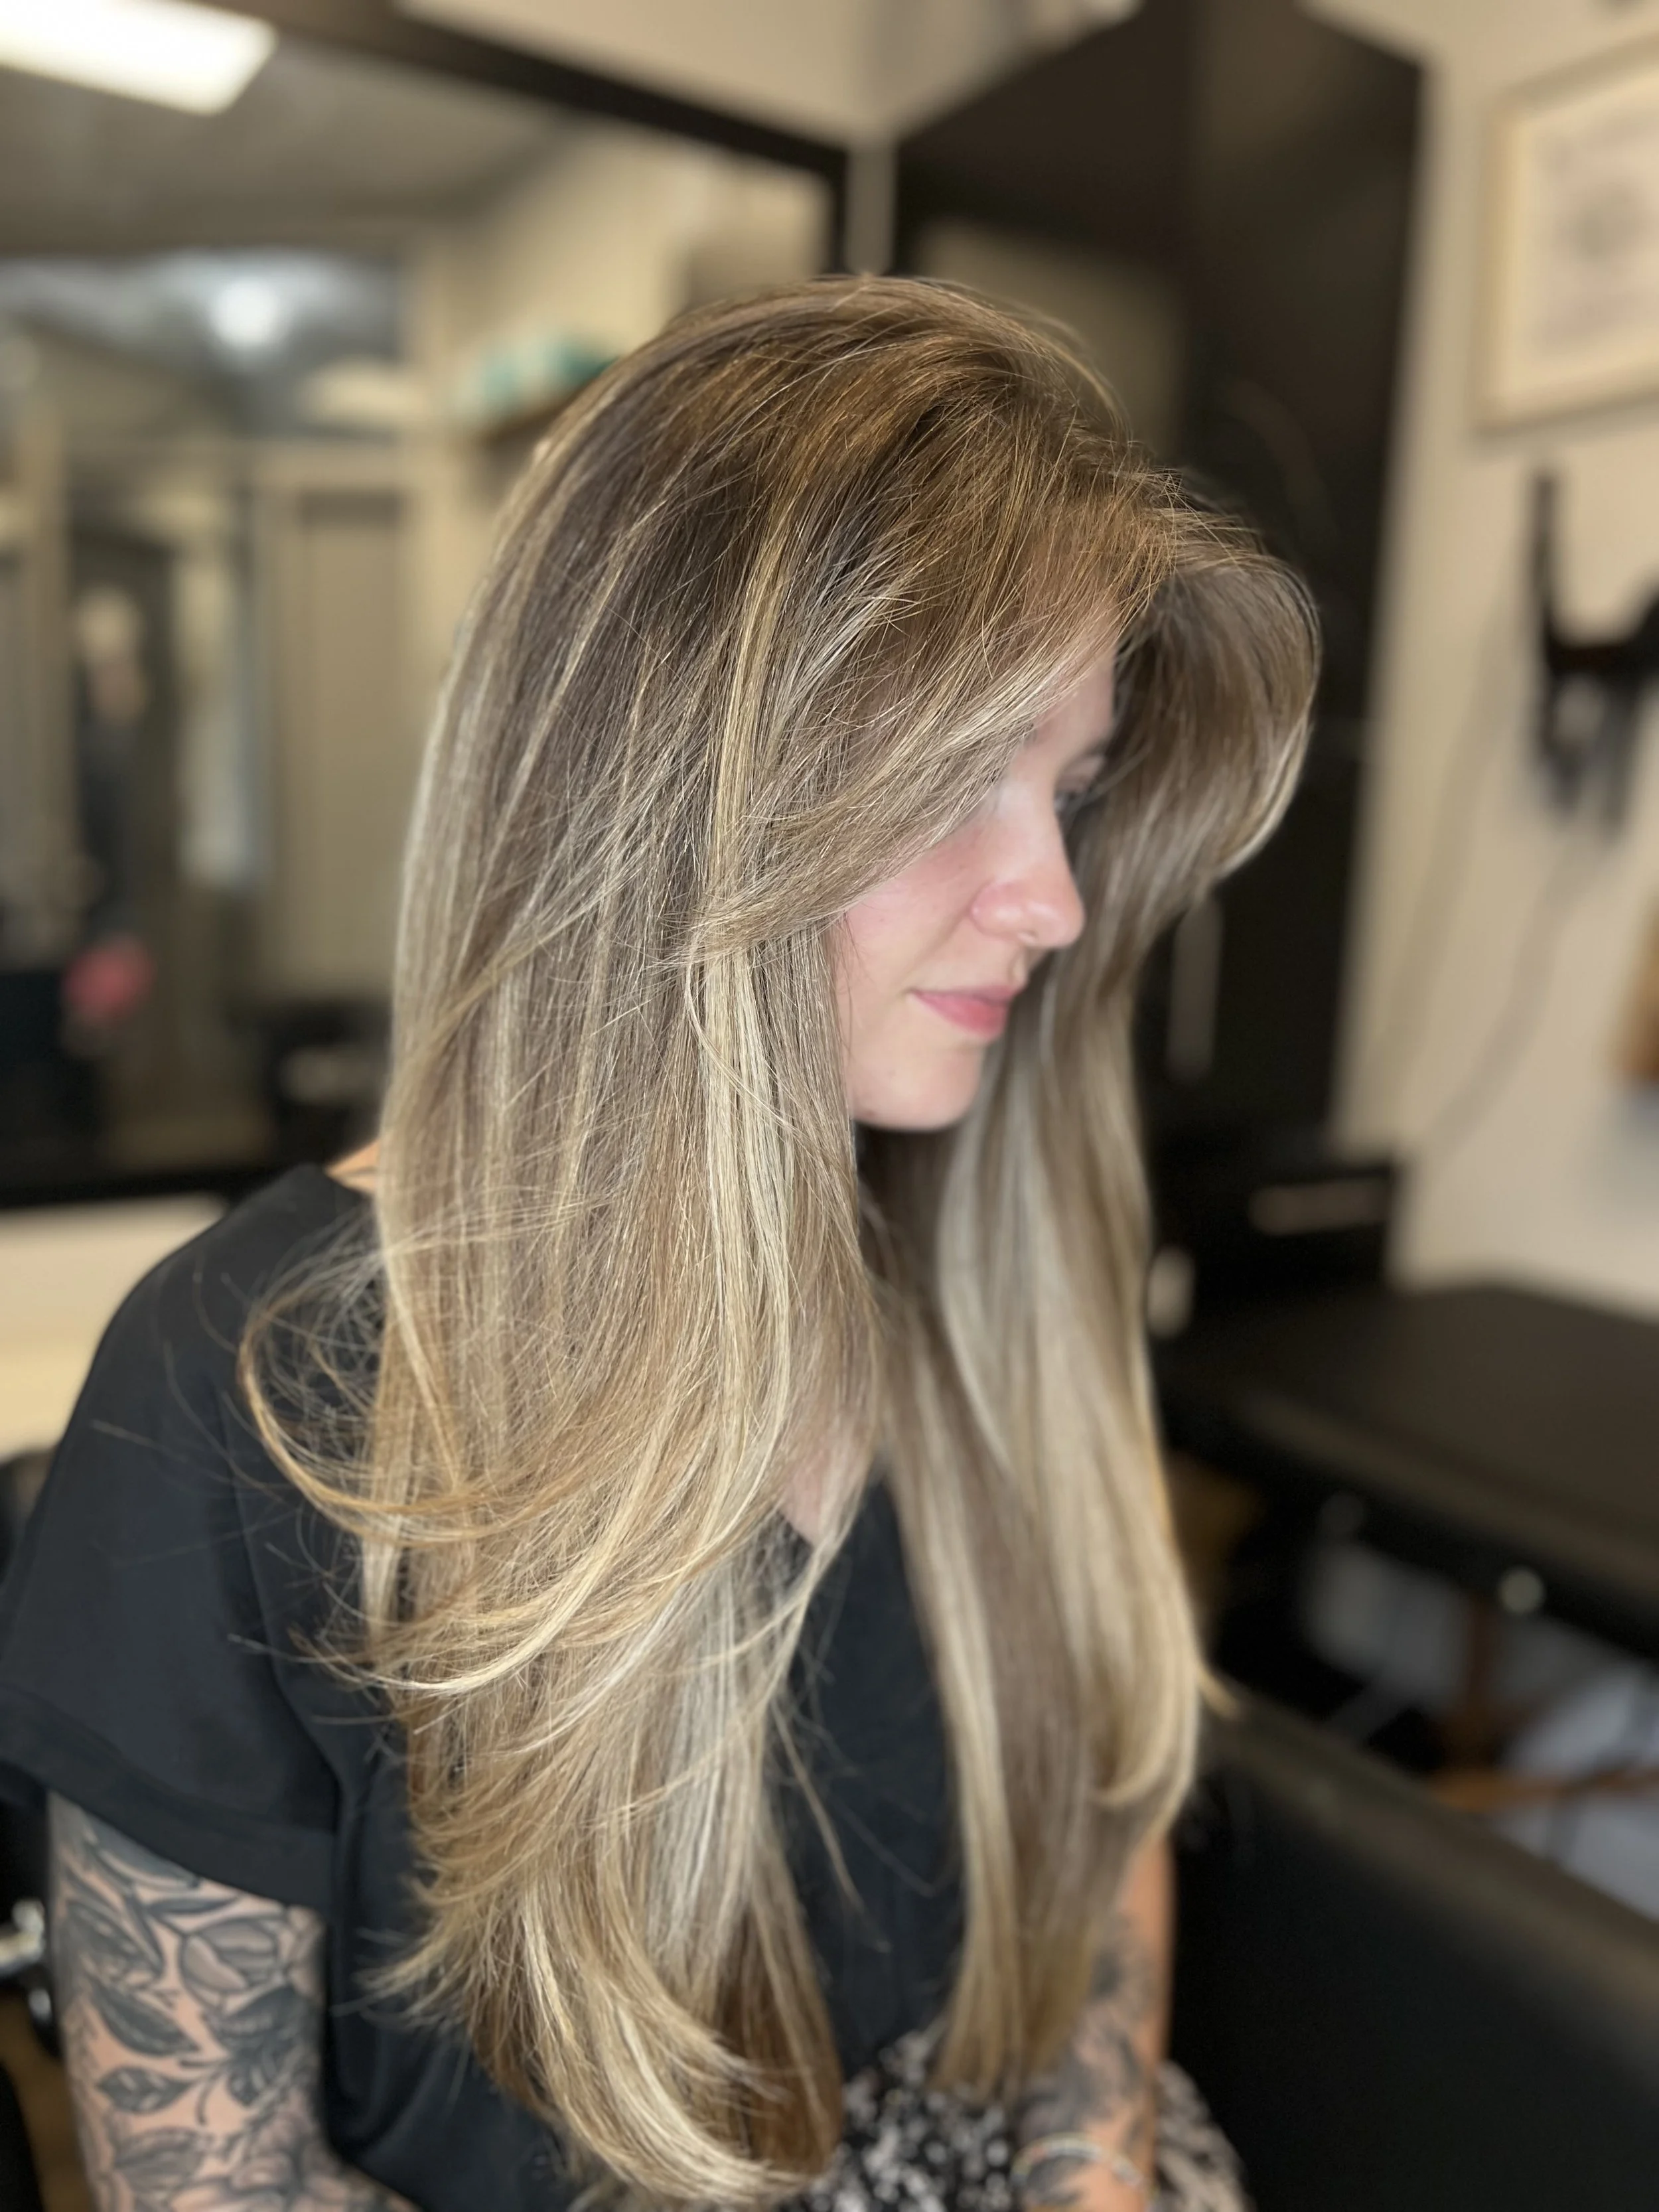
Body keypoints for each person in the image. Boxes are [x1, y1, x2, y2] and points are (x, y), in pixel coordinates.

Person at [0, 276, 1316, 2212]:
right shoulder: (231, 1402)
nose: (1044, 898)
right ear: (667, 796)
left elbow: (1093, 1808)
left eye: (1072, 787)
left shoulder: (984, 1271)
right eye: (959, 775)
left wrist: (1093, 2168)